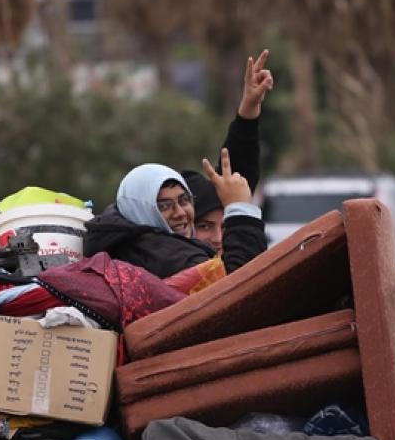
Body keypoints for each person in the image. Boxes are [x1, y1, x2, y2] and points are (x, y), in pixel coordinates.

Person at [83, 52, 273, 278]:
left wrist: (248, 112)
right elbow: (240, 287)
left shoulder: (140, 235)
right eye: (164, 205)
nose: (180, 213)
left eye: (184, 201)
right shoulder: (170, 256)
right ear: (143, 210)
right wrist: (240, 211)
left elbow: (233, 181)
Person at [182, 50, 273, 253]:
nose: (218, 239)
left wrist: (249, 109)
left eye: (226, 226)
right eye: (204, 226)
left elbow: (237, 178)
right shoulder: (179, 267)